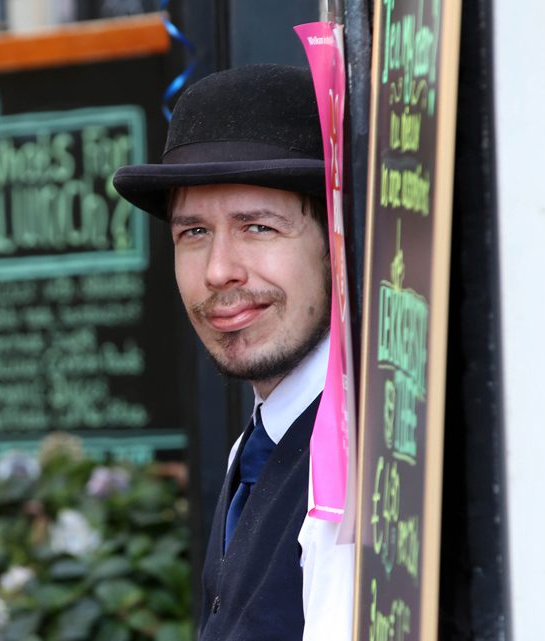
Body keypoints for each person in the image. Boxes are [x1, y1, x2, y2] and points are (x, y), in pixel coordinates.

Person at [112, 64, 354, 640]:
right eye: (193, 233)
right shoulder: (259, 444)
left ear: (335, 245)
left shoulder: (349, 464)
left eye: (258, 228)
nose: (219, 271)